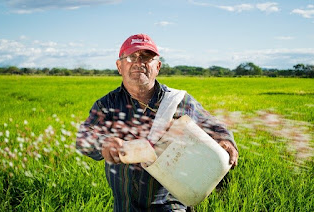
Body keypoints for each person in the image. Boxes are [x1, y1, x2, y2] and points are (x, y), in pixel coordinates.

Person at [76, 34, 239, 212]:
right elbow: (83, 138)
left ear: (158, 66)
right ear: (119, 66)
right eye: (131, 57)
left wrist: (226, 140)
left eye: (146, 57)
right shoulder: (107, 104)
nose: (139, 62)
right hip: (124, 206)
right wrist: (103, 143)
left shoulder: (177, 101)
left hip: (171, 204)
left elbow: (213, 125)